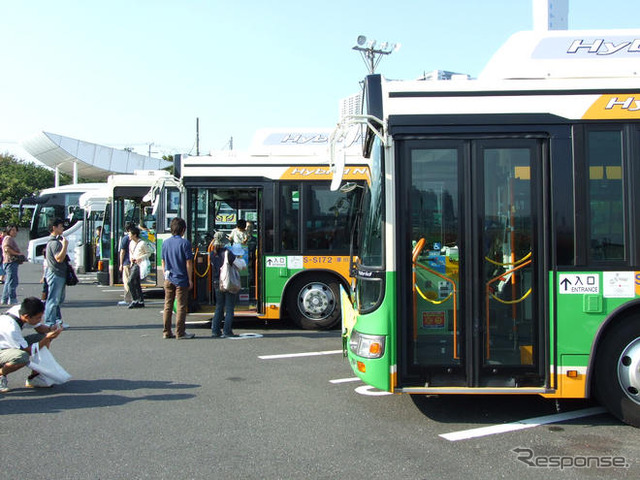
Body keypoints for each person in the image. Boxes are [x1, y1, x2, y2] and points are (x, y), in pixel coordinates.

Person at [0, 297, 63, 392]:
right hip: (3, 349)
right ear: (26, 317)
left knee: (41, 338)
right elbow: (28, 351)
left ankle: (35, 376)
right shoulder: (11, 328)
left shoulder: (19, 310)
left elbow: (39, 328)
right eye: (38, 317)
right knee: (22, 357)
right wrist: (48, 338)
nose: (40, 319)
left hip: (7, 345)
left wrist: (51, 329)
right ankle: (1, 374)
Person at [161, 218, 195, 339]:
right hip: (181, 279)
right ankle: (180, 332)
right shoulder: (185, 243)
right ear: (183, 230)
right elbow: (188, 263)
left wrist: (165, 274)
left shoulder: (165, 243)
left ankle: (166, 331)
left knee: (167, 305)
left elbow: (163, 261)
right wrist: (190, 279)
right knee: (181, 306)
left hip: (169, 278)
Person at [208, 232, 246, 338]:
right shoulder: (227, 253)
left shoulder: (212, 254)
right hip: (228, 282)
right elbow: (239, 265)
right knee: (229, 308)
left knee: (219, 307)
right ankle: (227, 330)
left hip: (217, 283)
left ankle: (215, 331)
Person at [44, 219, 69, 327]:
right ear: (54, 228)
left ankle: (57, 320)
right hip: (56, 273)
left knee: (57, 299)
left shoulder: (52, 242)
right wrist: (65, 245)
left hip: (54, 272)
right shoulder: (55, 243)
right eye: (60, 226)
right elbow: (59, 258)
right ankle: (50, 322)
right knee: (53, 299)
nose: (62, 228)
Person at [127, 226, 150, 309]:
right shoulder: (131, 243)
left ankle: (135, 300)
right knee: (136, 283)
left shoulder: (142, 243)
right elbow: (130, 253)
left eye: (129, 233)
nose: (128, 235)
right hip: (133, 264)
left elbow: (148, 253)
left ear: (135, 235)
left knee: (130, 281)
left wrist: (140, 258)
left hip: (140, 264)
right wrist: (131, 260)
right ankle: (140, 301)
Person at [2, 225, 23, 306]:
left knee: (8, 281)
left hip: (8, 262)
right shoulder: (8, 238)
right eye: (12, 230)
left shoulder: (7, 238)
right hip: (10, 262)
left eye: (15, 230)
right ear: (9, 231)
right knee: (12, 281)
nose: (14, 232)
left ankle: (4, 299)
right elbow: (6, 249)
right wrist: (17, 254)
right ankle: (12, 299)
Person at [118, 223, 133, 306]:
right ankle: (134, 298)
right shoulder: (136, 238)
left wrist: (121, 264)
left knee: (126, 281)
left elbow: (122, 252)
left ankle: (127, 299)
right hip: (134, 263)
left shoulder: (125, 239)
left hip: (126, 262)